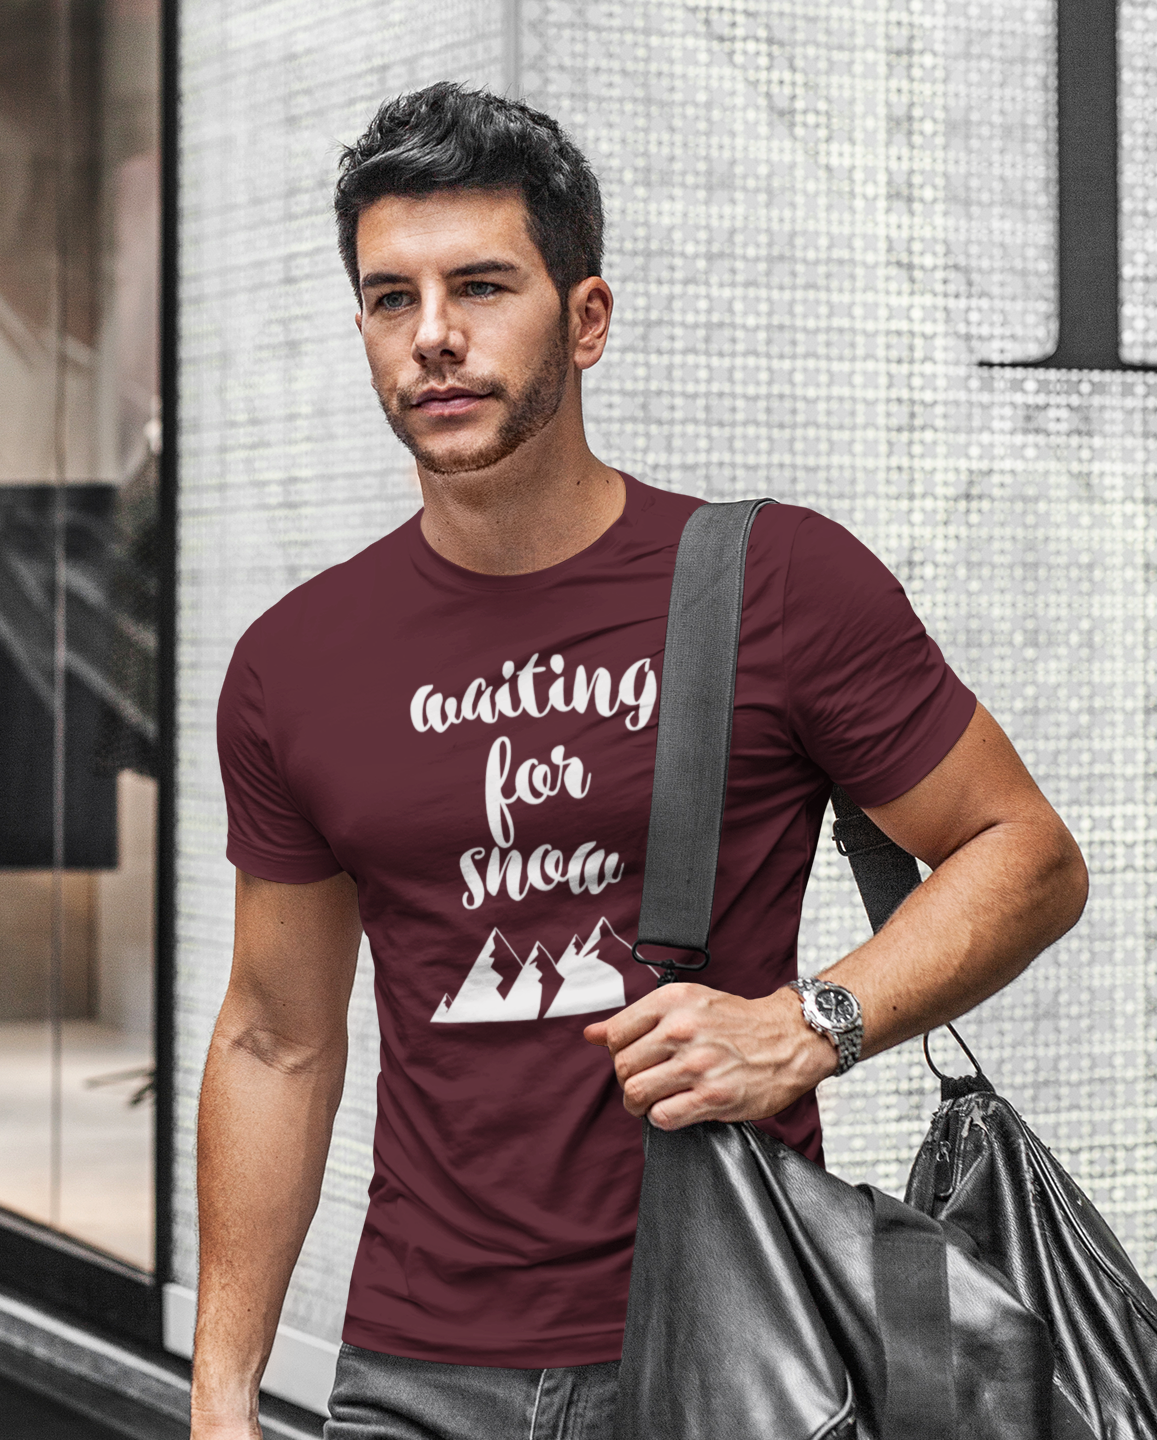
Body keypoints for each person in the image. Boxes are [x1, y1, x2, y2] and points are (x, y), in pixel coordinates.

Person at [189, 82, 1088, 1440]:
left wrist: (809, 1024)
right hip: (413, 1372)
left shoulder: (776, 582)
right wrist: (219, 1395)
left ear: (588, 318)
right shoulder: (296, 662)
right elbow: (275, 1035)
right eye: (391, 298)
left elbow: (1027, 855)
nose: (433, 337)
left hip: (733, 1348)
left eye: (482, 286)